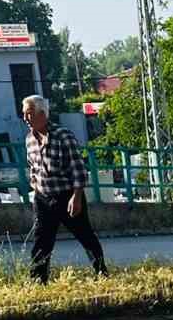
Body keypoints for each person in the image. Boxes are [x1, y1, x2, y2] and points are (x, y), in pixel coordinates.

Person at [21, 95, 108, 283]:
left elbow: (78, 169)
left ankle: (101, 272)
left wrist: (76, 197)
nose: (26, 119)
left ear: (42, 114)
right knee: (41, 240)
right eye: (24, 114)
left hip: (67, 195)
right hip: (43, 197)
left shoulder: (63, 136)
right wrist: (35, 186)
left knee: (85, 235)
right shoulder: (29, 139)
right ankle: (38, 281)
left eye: (29, 114)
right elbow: (32, 167)